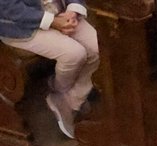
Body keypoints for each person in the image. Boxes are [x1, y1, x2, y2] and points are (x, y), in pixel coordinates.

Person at [0, 0, 95, 138]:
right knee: (74, 54)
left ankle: (69, 98)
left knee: (97, 46)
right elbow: (8, 8)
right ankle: (63, 94)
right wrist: (52, 21)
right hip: (24, 26)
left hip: (61, 12)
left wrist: (73, 9)